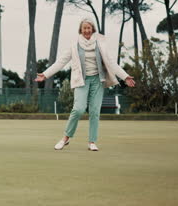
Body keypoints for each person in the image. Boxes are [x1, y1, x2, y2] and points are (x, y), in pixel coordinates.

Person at [35, 17, 136, 151]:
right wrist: (45, 74)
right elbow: (61, 61)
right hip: (81, 80)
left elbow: (111, 62)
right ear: (81, 30)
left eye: (89, 28)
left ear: (92, 29)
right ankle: (66, 137)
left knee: (94, 111)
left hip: (98, 80)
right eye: (84, 28)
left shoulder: (100, 43)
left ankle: (92, 142)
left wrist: (125, 77)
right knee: (78, 109)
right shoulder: (75, 44)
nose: (87, 30)